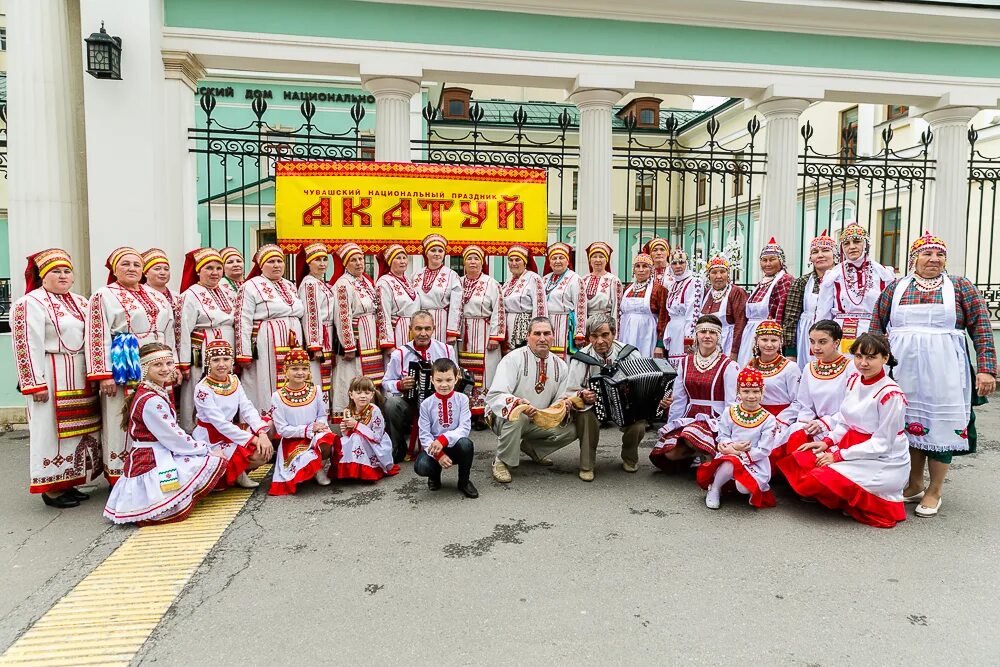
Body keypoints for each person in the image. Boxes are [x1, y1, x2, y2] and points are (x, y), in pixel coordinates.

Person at [871, 231, 997, 518]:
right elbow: (876, 327)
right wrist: (870, 365)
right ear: (914, 258)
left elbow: (981, 329)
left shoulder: (961, 287)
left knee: (939, 423)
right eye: (927, 254)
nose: (934, 259)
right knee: (909, 422)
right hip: (902, 369)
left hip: (946, 369)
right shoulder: (896, 287)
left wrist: (987, 370)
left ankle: (935, 489)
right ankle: (914, 483)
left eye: (940, 254)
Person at [778, 333, 910, 528]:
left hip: (881, 460)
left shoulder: (891, 394)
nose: (863, 363)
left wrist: (838, 455)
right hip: (852, 445)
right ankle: (841, 495)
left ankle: (861, 499)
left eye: (871, 357)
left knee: (816, 478)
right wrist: (828, 442)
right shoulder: (854, 380)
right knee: (801, 459)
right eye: (858, 356)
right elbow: (845, 420)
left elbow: (882, 443)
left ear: (885, 358)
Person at [13, 249, 102, 508]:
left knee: (79, 429)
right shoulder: (30, 303)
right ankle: (52, 488)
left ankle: (70, 481)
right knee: (51, 430)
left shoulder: (81, 302)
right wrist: (33, 382)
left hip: (79, 371)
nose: (62, 276)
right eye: (56, 271)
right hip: (51, 371)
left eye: (66, 271)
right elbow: (26, 344)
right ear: (42, 275)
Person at [104, 343, 227, 526]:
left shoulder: (149, 391)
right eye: (158, 365)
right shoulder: (152, 399)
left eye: (169, 363)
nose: (165, 369)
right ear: (145, 368)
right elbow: (174, 438)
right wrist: (206, 449)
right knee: (213, 460)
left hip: (152, 453)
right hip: (152, 458)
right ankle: (161, 503)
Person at [87, 247, 177, 485]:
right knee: (123, 416)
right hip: (125, 364)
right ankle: (121, 473)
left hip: (157, 362)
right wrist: (103, 374)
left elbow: (170, 332)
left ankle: (157, 467)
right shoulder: (104, 295)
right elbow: (97, 334)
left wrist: (173, 364)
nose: (132, 269)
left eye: (136, 265)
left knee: (158, 413)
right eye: (125, 264)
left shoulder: (156, 295)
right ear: (115, 269)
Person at [486, 317, 577, 484]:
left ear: (553, 336)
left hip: (539, 418)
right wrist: (518, 404)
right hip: (505, 419)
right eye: (537, 333)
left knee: (572, 428)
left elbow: (560, 399)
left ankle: (532, 448)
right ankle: (501, 461)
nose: (542, 338)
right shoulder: (513, 359)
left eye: (547, 333)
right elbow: (496, 394)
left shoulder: (561, 366)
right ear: (528, 336)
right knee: (518, 416)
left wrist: (564, 404)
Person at [566, 314, 650, 481]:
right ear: (589, 337)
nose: (599, 341)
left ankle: (629, 457)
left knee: (639, 423)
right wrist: (582, 394)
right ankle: (587, 465)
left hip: (625, 406)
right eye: (594, 336)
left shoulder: (629, 353)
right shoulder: (581, 358)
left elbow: (644, 383)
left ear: (613, 333)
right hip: (594, 407)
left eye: (605, 335)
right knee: (584, 415)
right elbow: (570, 391)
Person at [649, 315, 738, 472]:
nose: (707, 336)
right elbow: (679, 400)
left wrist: (728, 434)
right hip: (689, 416)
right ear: (696, 335)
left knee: (692, 434)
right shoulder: (685, 362)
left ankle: (712, 454)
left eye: (713, 332)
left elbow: (731, 404)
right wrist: (672, 425)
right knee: (669, 453)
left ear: (719, 336)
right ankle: (700, 454)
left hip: (716, 419)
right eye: (703, 331)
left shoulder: (728, 365)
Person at [191, 340, 273, 490]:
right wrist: (254, 439)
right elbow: (220, 424)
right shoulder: (203, 389)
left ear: (232, 361)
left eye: (226, 359)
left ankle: (237, 469)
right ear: (208, 362)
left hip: (230, 431)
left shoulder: (233, 380)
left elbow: (247, 408)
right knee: (257, 452)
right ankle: (235, 472)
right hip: (211, 436)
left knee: (268, 429)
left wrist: (262, 433)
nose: (221, 364)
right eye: (216, 360)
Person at [234, 244, 305, 412]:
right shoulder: (250, 286)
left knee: (292, 377)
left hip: (292, 339)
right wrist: (244, 353)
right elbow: (242, 319)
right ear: (261, 265)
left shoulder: (289, 285)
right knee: (266, 380)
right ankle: (266, 419)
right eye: (271, 261)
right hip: (267, 342)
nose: (276, 265)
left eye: (279, 261)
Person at [769, 320, 851, 464]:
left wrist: (825, 423)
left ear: (836, 342)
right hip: (815, 425)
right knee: (796, 432)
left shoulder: (850, 367)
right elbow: (805, 405)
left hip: (842, 426)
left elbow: (853, 407)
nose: (816, 347)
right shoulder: (809, 368)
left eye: (822, 342)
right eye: (812, 342)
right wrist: (807, 424)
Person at [696, 367, 778, 509]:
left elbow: (764, 450)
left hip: (755, 461)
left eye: (755, 391)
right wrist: (729, 447)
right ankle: (715, 489)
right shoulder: (730, 411)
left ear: (762, 392)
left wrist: (739, 453)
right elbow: (723, 435)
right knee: (730, 463)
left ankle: (737, 484)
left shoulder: (769, 419)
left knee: (743, 487)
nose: (751, 396)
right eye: (746, 391)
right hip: (729, 455)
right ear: (738, 392)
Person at [382, 311, 456, 462]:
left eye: (427, 329)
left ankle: (449, 444)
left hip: (438, 405)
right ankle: (399, 446)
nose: (423, 333)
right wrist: (400, 384)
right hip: (411, 404)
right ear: (411, 329)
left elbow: (456, 377)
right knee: (391, 403)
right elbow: (386, 382)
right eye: (418, 328)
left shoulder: (446, 350)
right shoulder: (400, 353)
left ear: (434, 329)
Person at [330, 242, 391, 418]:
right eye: (353, 260)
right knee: (353, 374)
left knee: (370, 376)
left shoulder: (365, 281)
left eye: (361, 259)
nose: (359, 263)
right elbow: (343, 316)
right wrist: (348, 345)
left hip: (370, 337)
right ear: (345, 264)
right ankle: (351, 416)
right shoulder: (343, 284)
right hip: (357, 340)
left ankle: (371, 416)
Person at [178, 247, 235, 432]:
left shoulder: (228, 291)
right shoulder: (190, 294)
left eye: (219, 268)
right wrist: (184, 363)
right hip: (201, 349)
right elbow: (183, 330)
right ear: (198, 271)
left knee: (227, 387)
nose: (215, 272)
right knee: (198, 387)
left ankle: (226, 430)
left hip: (227, 345)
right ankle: (193, 430)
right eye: (209, 268)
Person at [816, 223, 895, 355]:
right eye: (846, 243)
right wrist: (820, 338)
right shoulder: (834, 274)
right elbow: (823, 311)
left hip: (872, 331)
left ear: (865, 244)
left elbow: (888, 312)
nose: (852, 247)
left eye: (857, 241)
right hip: (840, 332)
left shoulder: (882, 273)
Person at [268, 348, 339, 494]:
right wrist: (307, 430)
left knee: (329, 440)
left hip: (314, 435)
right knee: (303, 463)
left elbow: (321, 416)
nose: (300, 372)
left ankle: (317, 468)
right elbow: (282, 430)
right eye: (294, 368)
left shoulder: (316, 390)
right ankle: (314, 468)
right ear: (285, 371)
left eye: (304, 368)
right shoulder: (278, 396)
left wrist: (321, 428)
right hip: (292, 440)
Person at [415, 358, 479, 498]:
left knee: (466, 444)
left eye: (448, 380)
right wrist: (438, 455)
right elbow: (424, 435)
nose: (444, 385)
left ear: (456, 379)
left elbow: (464, 428)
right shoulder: (426, 404)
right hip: (434, 448)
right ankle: (434, 475)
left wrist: (444, 439)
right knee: (421, 466)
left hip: (454, 445)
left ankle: (464, 481)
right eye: (439, 380)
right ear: (432, 380)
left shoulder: (462, 399)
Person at [457, 245, 504, 421]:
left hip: (484, 331)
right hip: (463, 332)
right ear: (464, 262)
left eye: (476, 258)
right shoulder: (458, 282)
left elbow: (498, 309)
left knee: (486, 371)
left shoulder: (490, 283)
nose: (473, 262)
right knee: (464, 370)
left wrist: (495, 335)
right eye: (469, 258)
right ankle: (466, 411)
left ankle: (485, 413)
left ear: (482, 262)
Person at [782, 231, 837, 368]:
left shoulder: (843, 280)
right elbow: (791, 317)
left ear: (835, 255)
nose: (820, 255)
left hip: (835, 336)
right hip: (806, 338)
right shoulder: (802, 282)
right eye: (815, 252)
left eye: (825, 250)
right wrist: (791, 351)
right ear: (810, 258)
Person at [737, 237, 794, 367]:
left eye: (772, 260)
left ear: (781, 261)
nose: (767, 264)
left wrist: (775, 339)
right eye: (764, 260)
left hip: (768, 334)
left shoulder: (784, 280)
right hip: (750, 335)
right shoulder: (762, 282)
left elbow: (781, 314)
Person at [334, 376, 399, 481]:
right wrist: (345, 430)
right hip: (359, 443)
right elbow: (347, 436)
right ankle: (352, 470)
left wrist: (356, 425)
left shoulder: (375, 411)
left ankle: (366, 469)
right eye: (359, 393)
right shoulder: (348, 411)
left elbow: (377, 437)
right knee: (341, 441)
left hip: (376, 444)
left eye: (367, 393)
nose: (363, 396)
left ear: (372, 394)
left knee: (356, 437)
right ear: (351, 395)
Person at [296, 242, 335, 404]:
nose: (322, 264)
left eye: (325, 259)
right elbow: (311, 314)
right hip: (320, 335)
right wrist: (315, 345)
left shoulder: (320, 283)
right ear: (309, 263)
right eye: (317, 260)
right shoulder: (310, 283)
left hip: (327, 332)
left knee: (326, 376)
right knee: (317, 376)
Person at [413, 233, 462, 345]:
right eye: (433, 250)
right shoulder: (416, 275)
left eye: (440, 251)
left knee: (440, 356)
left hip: (442, 322)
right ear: (426, 253)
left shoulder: (451, 275)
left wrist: (452, 332)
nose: (437, 254)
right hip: (420, 322)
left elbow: (456, 306)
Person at [542, 242, 587, 361]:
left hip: (565, 324)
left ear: (567, 261)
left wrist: (580, 333)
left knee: (564, 359)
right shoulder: (545, 279)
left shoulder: (575, 279)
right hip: (547, 323)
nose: (557, 261)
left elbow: (581, 307)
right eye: (554, 258)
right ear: (549, 262)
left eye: (561, 258)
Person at [698, 253, 748, 360]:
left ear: (728, 274)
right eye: (714, 272)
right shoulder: (706, 294)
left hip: (727, 345)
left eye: (722, 272)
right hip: (706, 346)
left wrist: (734, 352)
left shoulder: (736, 292)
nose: (718, 276)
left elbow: (740, 323)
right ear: (708, 275)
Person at [747, 320, 800, 420]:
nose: (769, 345)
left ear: (781, 342)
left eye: (774, 340)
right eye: (764, 340)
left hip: (780, 419)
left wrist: (781, 421)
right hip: (754, 418)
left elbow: (798, 401)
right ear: (757, 341)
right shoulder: (751, 366)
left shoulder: (790, 368)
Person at [619, 253, 668, 358]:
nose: (641, 270)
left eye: (645, 266)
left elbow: (663, 317)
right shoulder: (627, 289)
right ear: (634, 270)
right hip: (626, 334)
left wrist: (659, 344)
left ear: (651, 270)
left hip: (647, 335)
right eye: (638, 266)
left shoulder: (658, 289)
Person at [662, 247, 704, 367]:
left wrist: (689, 338)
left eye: (681, 262)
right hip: (674, 332)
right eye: (674, 263)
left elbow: (693, 312)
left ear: (687, 264)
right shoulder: (673, 284)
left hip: (684, 331)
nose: (678, 266)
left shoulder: (694, 282)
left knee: (685, 365)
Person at [500, 244, 546, 351]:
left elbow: (540, 306)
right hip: (508, 326)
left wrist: (538, 330)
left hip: (523, 328)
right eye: (510, 260)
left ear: (525, 262)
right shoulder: (508, 281)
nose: (514, 263)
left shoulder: (533, 278)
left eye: (517, 260)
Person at [376, 244, 420, 354]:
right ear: (390, 261)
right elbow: (383, 314)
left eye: (404, 258)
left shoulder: (409, 281)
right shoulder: (384, 282)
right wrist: (388, 343)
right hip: (397, 331)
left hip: (413, 330)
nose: (402, 261)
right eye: (398, 258)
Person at [141, 248, 183, 353]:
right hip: (153, 346)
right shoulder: (141, 296)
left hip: (180, 347)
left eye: (166, 269)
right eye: (157, 269)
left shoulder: (177, 297)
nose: (163, 272)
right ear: (145, 273)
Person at [582, 241, 622, 328]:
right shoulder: (583, 280)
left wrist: (614, 329)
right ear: (589, 260)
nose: (598, 260)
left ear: (607, 260)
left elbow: (617, 307)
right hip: (586, 322)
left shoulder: (613, 280)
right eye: (594, 256)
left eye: (601, 256)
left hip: (605, 323)